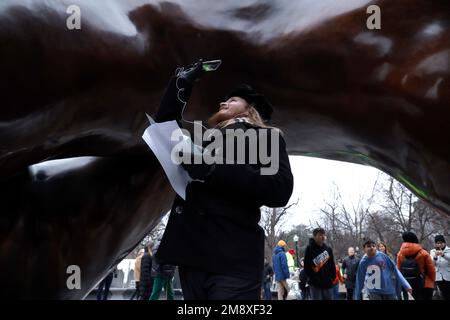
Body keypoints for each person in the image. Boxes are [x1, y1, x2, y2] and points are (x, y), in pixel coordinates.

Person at [153, 60, 294, 300]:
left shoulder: (266, 137)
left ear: (250, 109)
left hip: (233, 259)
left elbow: (279, 189)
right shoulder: (201, 140)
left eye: (233, 100)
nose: (223, 102)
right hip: (192, 258)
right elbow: (163, 129)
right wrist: (181, 84)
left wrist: (213, 169)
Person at [397, 231, 436, 300]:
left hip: (411, 284)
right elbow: (431, 270)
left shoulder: (400, 253)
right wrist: (432, 281)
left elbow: (399, 270)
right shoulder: (423, 253)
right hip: (425, 283)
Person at [304, 228, 336, 300]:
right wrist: (312, 278)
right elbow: (306, 267)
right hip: (315, 285)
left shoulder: (328, 249)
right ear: (315, 237)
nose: (322, 236)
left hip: (327, 283)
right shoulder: (309, 249)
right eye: (320, 235)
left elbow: (332, 264)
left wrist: (332, 277)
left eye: (323, 235)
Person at [430, 235, 450, 300]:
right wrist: (435, 257)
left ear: (444, 243)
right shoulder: (432, 251)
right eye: (437, 243)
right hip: (438, 277)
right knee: (442, 294)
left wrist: (443, 255)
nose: (439, 244)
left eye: (441, 243)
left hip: (448, 276)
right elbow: (432, 264)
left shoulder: (449, 250)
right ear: (435, 244)